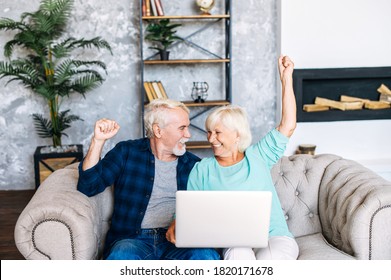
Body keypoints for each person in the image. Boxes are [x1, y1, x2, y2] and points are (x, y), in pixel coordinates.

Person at [166, 55, 299, 260]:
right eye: (209, 132)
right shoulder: (202, 169)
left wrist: (286, 79)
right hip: (234, 240)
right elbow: (189, 211)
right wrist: (177, 223)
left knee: (272, 261)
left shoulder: (259, 156)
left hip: (274, 237)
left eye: (217, 132)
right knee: (238, 258)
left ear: (237, 135)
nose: (211, 139)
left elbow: (288, 124)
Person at [77, 98, 220, 260]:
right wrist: (98, 141)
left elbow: (208, 210)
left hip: (177, 241)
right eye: (182, 128)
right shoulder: (127, 152)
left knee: (206, 256)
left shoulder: (194, 165)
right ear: (158, 131)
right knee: (121, 256)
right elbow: (88, 186)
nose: (188, 134)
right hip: (132, 240)